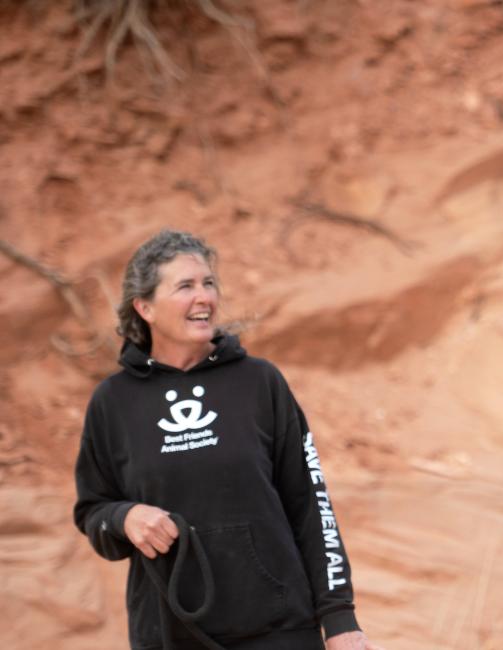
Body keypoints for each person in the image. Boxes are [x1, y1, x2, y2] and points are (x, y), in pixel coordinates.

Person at [73, 230, 381, 650]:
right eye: (185, 286)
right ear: (145, 307)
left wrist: (340, 618)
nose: (204, 297)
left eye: (209, 283)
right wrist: (124, 517)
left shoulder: (259, 382)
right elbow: (93, 510)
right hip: (168, 635)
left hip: (279, 631)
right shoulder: (113, 402)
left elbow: (311, 504)